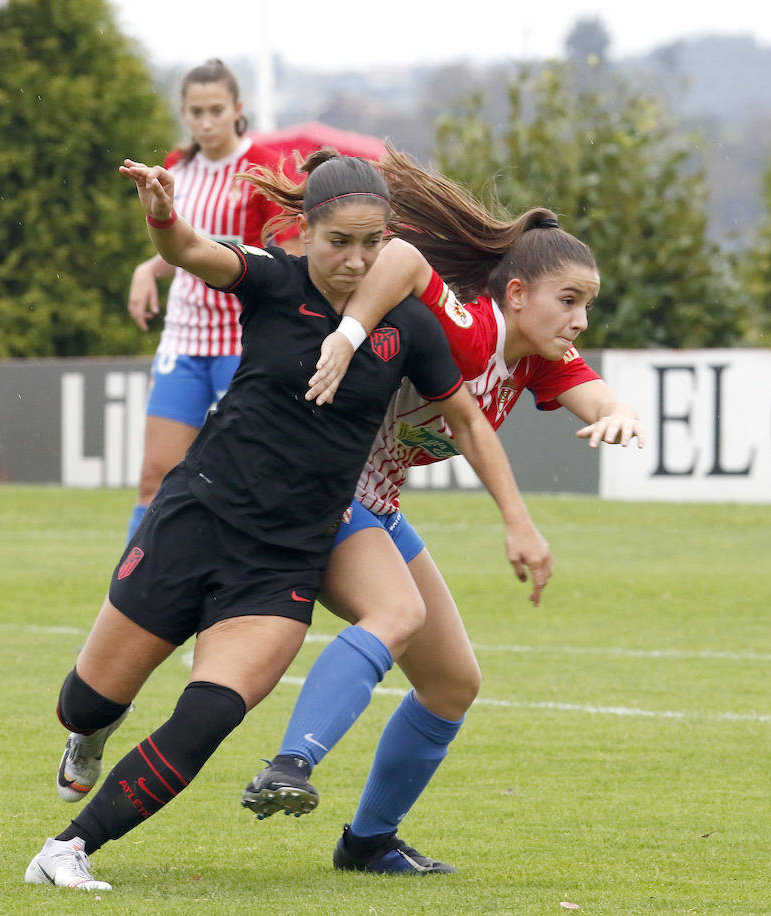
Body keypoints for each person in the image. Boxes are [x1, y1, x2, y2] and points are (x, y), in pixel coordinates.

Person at [25, 148, 551, 892]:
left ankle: (67, 849)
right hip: (195, 521)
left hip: (283, 562)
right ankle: (93, 731)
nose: (358, 261)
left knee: (209, 715)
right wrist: (161, 213)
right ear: (305, 233)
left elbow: (467, 422)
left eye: (374, 245)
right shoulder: (273, 279)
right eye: (341, 243)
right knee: (85, 701)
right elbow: (190, 251)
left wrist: (517, 520)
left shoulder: (408, 327)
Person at [237, 147, 645, 874]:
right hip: (320, 493)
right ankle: (290, 765)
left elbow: (598, 394)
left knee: (454, 682)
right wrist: (349, 333)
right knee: (395, 617)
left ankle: (366, 843)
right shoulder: (473, 329)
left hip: (374, 506)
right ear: (516, 294)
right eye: (570, 299)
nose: (581, 320)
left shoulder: (536, 360)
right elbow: (399, 259)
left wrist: (618, 415)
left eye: (589, 304)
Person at [123, 58, 301, 545]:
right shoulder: (178, 167)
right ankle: (130, 595)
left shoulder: (264, 167)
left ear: (237, 109)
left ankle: (253, 584)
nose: (206, 121)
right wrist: (148, 268)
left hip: (243, 341)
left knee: (250, 476)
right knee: (154, 477)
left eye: (216, 110)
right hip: (184, 339)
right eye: (196, 111)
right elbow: (182, 244)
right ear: (183, 112)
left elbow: (283, 255)